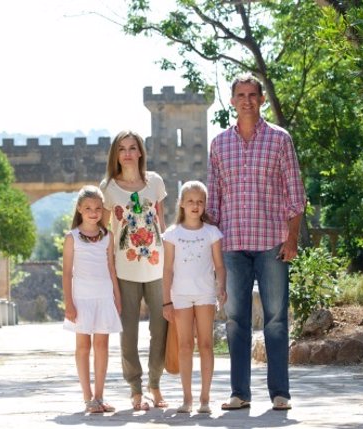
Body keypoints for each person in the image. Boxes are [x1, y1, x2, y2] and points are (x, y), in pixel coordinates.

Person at [207, 74, 306, 411]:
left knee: (276, 318)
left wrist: (291, 238)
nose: (246, 100)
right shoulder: (219, 144)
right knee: (236, 320)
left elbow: (296, 194)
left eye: (252, 94)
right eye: (240, 95)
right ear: (232, 101)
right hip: (233, 244)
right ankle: (240, 393)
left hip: (271, 243)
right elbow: (213, 202)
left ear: (261, 99)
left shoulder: (280, 140)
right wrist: (213, 250)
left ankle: (281, 393)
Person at [100, 130, 168, 411]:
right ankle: (136, 389)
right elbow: (107, 236)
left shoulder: (155, 182)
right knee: (128, 332)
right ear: (116, 155)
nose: (127, 153)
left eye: (132, 148)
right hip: (124, 270)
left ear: (140, 152)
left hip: (158, 267)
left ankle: (155, 384)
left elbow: (163, 227)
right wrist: (110, 277)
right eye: (122, 149)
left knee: (160, 327)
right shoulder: (108, 188)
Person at [162, 180, 227, 414]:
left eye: (200, 201)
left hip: (205, 295)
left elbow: (220, 266)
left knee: (207, 345)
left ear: (205, 205)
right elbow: (167, 269)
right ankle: (187, 398)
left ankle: (205, 399)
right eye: (190, 201)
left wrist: (221, 288)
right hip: (180, 296)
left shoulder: (212, 233)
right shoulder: (172, 234)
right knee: (185, 346)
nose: (195, 205)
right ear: (181, 203)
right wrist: (166, 300)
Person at [62, 185, 122, 414]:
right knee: (83, 347)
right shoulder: (72, 237)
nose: (93, 212)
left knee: (102, 345)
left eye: (98, 207)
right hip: (81, 298)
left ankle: (99, 396)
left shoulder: (108, 237)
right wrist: (69, 302)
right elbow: (67, 272)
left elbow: (111, 267)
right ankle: (87, 398)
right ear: (79, 209)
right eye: (88, 207)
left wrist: (117, 297)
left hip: (104, 296)